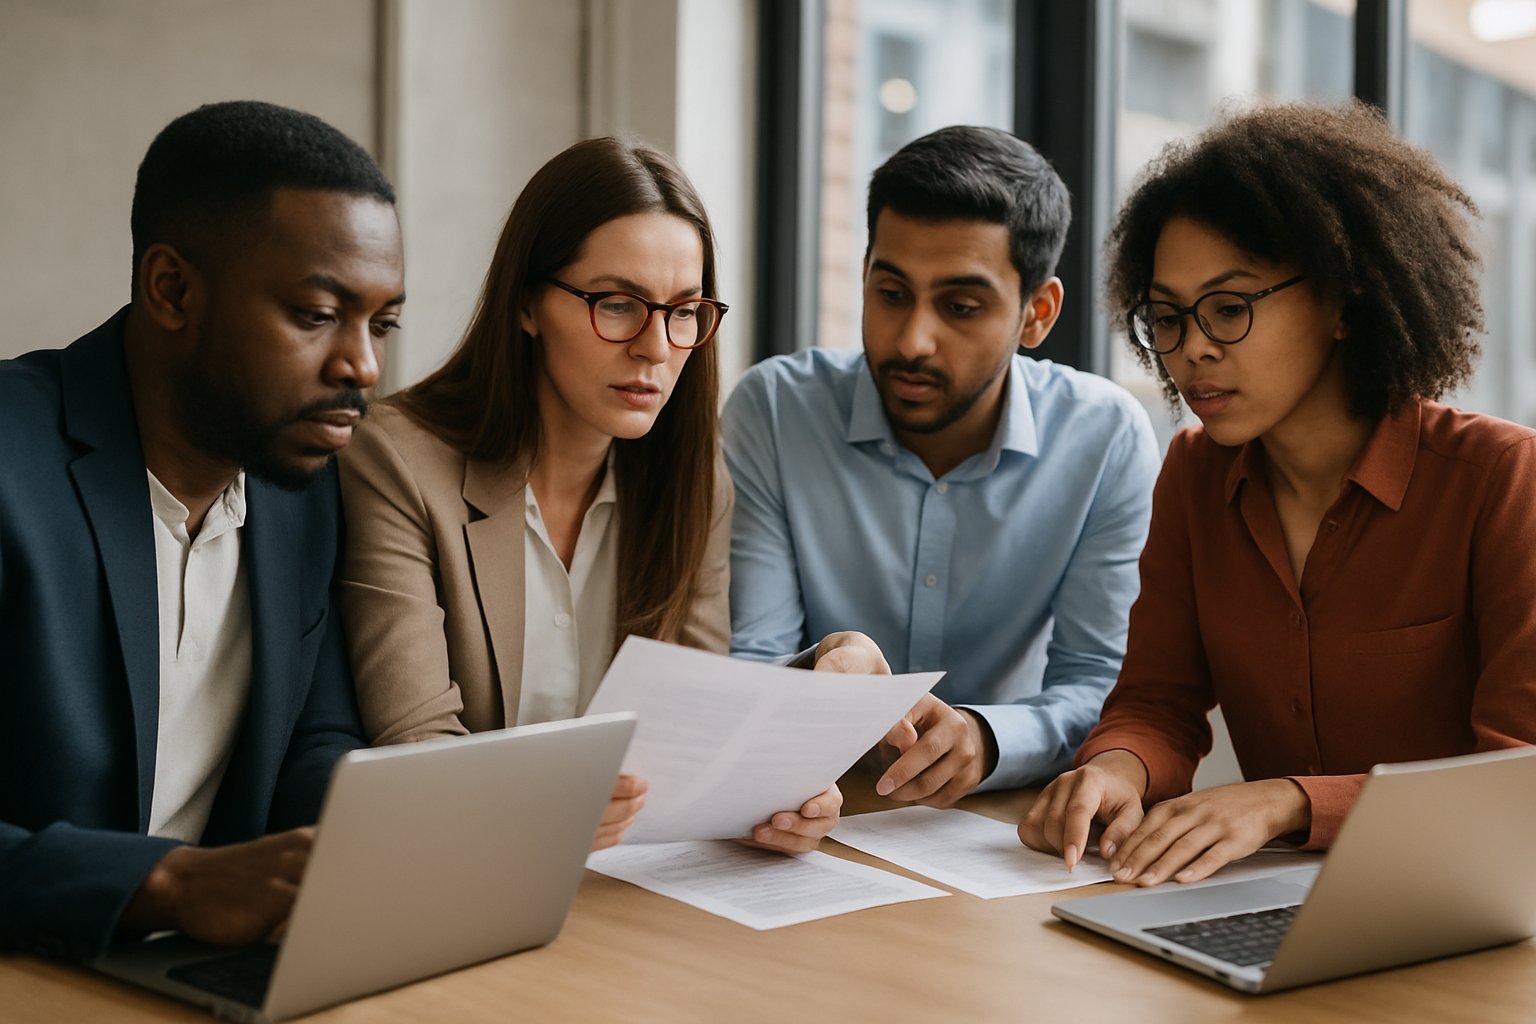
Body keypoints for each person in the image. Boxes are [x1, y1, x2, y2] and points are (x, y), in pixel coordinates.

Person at [1019, 101, 1536, 885]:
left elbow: (1517, 781)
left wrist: (1288, 803)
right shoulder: (1194, 474)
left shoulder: (1503, 481)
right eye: (1167, 317)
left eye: (1229, 309)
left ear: (1340, 300)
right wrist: (1116, 770)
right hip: (1275, 904)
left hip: (1471, 911)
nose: (1192, 348)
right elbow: (1158, 701)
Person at [338, 137, 880, 855]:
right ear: (528, 304)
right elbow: (418, 750)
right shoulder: (397, 463)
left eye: (684, 311)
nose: (656, 347)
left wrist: (788, 772)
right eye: (619, 304)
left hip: (622, 895)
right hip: (459, 877)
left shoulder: (694, 484)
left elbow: (688, 728)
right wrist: (549, 806)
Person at [0, 100, 404, 959]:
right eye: (316, 313)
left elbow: (314, 738)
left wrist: (406, 840)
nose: (362, 364)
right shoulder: (10, 463)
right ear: (171, 289)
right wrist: (171, 884)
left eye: (382, 322)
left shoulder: (301, 488)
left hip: (191, 974)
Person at [723, 126, 1159, 806]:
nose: (912, 340)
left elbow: (1099, 683)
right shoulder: (776, 412)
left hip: (1002, 822)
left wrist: (988, 739)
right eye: (891, 293)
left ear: (1036, 314)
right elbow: (751, 663)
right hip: (808, 806)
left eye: (960, 307)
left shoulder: (1104, 438)